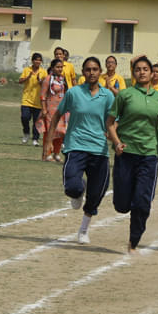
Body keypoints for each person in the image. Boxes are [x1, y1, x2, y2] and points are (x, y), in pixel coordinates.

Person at [48, 56, 115, 244]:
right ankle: (78, 191)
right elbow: (57, 115)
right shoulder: (74, 93)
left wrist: (114, 138)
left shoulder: (107, 96)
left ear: (100, 71)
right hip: (76, 146)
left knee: (96, 194)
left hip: (99, 150)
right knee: (72, 186)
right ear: (83, 72)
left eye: (95, 69)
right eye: (88, 69)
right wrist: (49, 140)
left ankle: (84, 230)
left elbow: (112, 121)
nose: (91, 73)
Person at [106, 56, 158, 252]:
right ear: (134, 73)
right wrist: (117, 143)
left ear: (152, 73)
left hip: (149, 155)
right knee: (122, 205)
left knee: (142, 203)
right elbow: (109, 122)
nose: (142, 72)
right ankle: (125, 205)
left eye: (145, 69)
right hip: (126, 154)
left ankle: (134, 240)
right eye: (138, 69)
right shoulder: (125, 95)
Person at [37, 58, 67, 161]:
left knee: (60, 131)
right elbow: (42, 95)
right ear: (52, 68)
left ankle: (56, 153)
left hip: (61, 109)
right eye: (57, 67)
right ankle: (47, 153)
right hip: (50, 109)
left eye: (61, 67)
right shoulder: (48, 79)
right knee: (50, 131)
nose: (60, 69)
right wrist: (44, 109)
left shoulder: (62, 79)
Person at [18, 52, 46, 146]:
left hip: (38, 100)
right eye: (36, 60)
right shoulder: (27, 70)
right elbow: (20, 81)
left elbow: (45, 85)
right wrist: (28, 77)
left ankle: (35, 139)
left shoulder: (43, 72)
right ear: (32, 61)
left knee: (37, 121)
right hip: (26, 99)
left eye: (39, 60)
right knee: (24, 117)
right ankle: (26, 133)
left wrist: (39, 81)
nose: (37, 61)